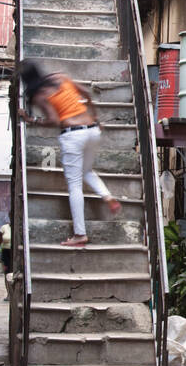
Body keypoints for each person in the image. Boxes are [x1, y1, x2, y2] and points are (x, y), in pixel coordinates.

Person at [19, 60, 121, 247]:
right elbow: (87, 94)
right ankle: (107, 196)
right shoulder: (60, 77)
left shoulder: (39, 95)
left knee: (75, 185)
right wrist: (96, 118)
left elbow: (54, 120)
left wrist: (31, 119)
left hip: (73, 135)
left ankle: (80, 234)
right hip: (92, 130)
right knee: (87, 171)